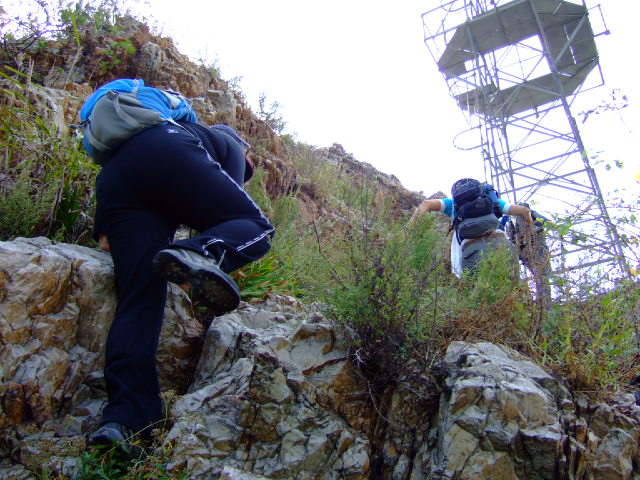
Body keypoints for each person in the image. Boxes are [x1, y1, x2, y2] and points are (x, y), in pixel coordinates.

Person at [88, 118, 274, 453]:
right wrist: (198, 258)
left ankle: (127, 422)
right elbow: (226, 217)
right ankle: (199, 253)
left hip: (117, 177)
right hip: (168, 149)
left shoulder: (153, 135)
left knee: (140, 299)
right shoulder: (230, 145)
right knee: (256, 228)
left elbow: (109, 240)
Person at [411, 179, 532, 278]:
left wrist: (409, 229)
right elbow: (524, 211)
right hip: (502, 249)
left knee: (477, 293)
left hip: (471, 252)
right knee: (509, 287)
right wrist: (529, 237)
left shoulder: (453, 205)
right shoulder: (493, 202)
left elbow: (426, 204)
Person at [504, 204, 552, 306]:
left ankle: (537, 303)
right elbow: (548, 223)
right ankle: (545, 304)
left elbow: (509, 236)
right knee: (543, 276)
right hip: (537, 248)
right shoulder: (532, 214)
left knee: (538, 276)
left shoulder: (511, 220)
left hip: (524, 250)